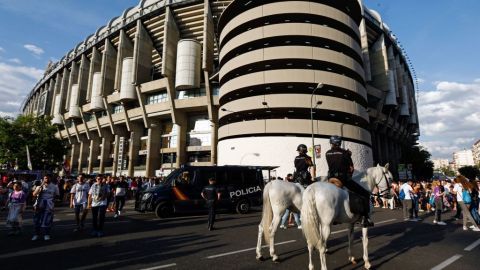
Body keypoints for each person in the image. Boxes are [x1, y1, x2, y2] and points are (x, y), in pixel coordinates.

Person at [326, 135, 373, 227]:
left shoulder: (327, 153)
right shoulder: (345, 153)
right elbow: (351, 168)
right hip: (342, 179)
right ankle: (365, 217)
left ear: (331, 143)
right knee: (365, 193)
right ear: (339, 143)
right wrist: (348, 156)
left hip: (331, 179)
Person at [32, 175, 59, 241]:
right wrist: (40, 187)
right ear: (43, 179)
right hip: (39, 205)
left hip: (49, 205)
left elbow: (57, 195)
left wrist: (53, 203)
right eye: (45, 178)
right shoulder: (39, 186)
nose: (46, 179)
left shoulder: (54, 186)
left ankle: (46, 234)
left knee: (48, 220)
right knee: (37, 220)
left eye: (48, 178)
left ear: (50, 178)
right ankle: (36, 234)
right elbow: (34, 194)